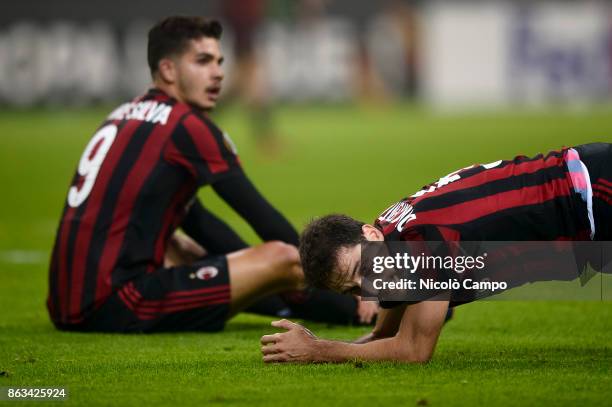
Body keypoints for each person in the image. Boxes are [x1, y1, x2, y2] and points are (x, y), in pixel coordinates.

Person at [47, 16, 373, 333]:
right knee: (284, 257)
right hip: (117, 301)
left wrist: (252, 271)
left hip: (67, 301)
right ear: (168, 70)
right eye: (203, 62)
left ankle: (295, 301)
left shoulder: (121, 115)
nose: (217, 74)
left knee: (182, 247)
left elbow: (200, 223)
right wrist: (335, 291)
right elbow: (265, 222)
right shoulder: (187, 126)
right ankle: (359, 308)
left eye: (219, 62)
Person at [260, 143, 612, 363]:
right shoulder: (389, 231)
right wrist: (349, 343)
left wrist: (319, 351)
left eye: (362, 270)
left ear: (368, 234)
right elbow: (389, 331)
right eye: (353, 289)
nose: (370, 287)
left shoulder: (422, 246)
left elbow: (414, 351)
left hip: (596, 195)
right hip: (587, 193)